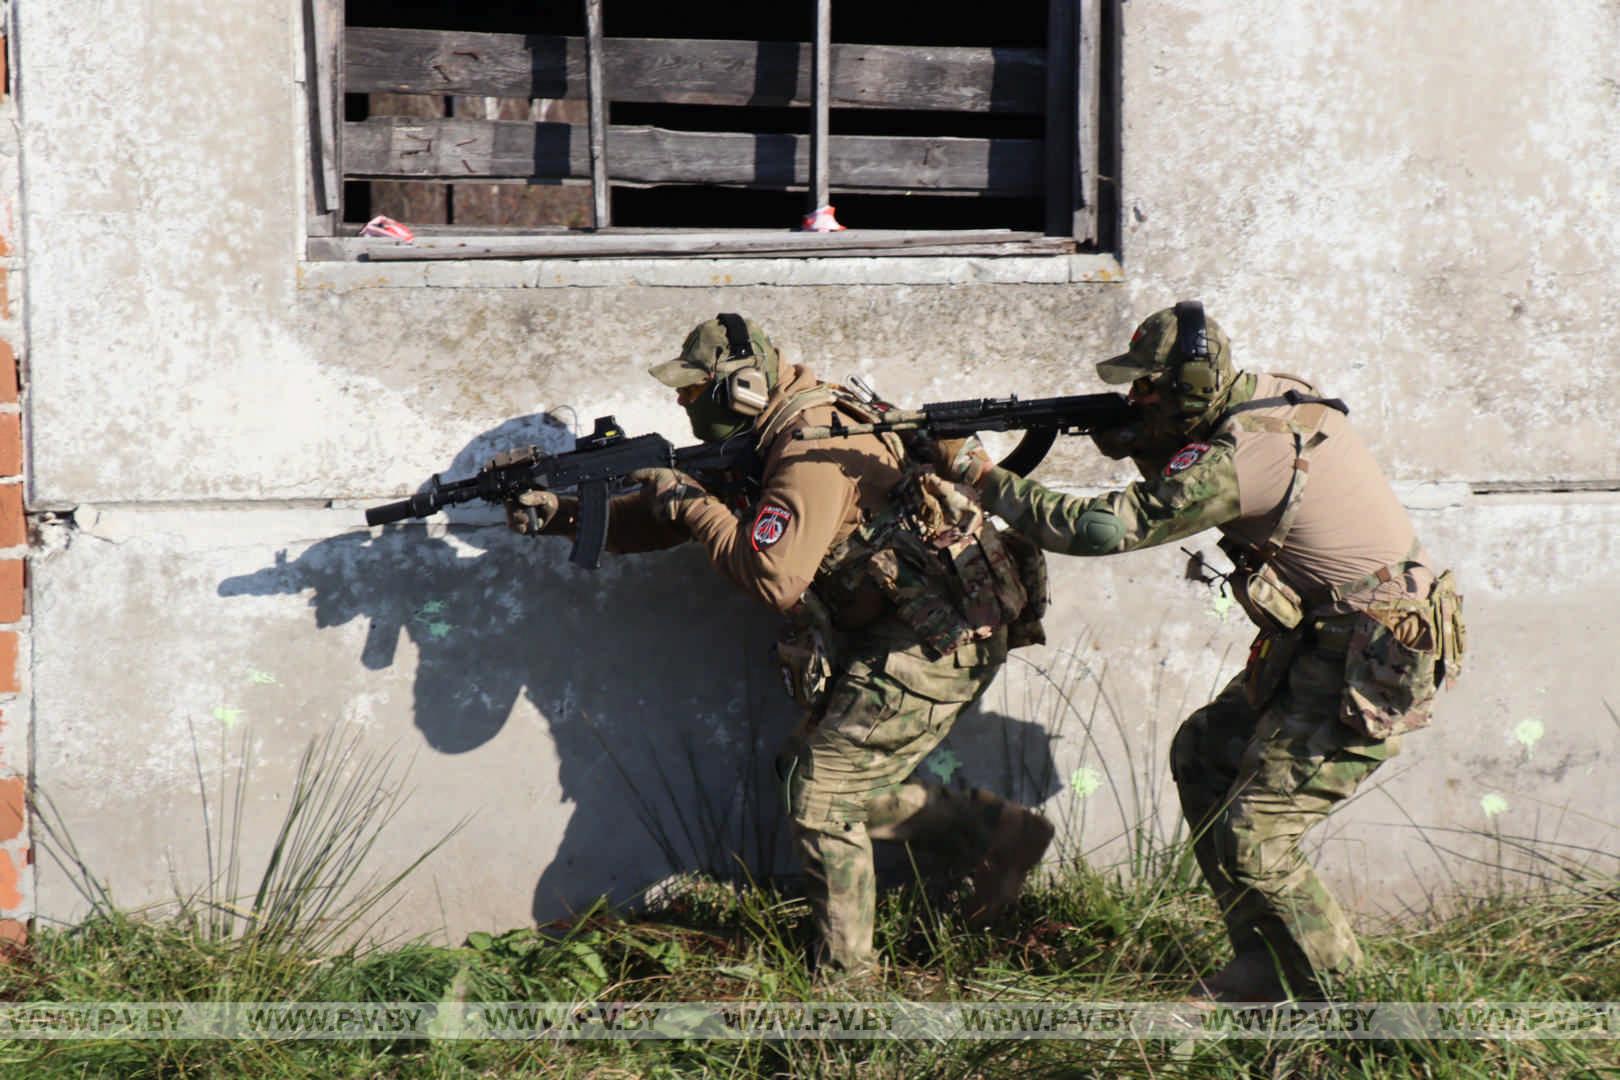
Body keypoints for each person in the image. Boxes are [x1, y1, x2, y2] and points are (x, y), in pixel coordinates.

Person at [936, 301, 1466, 1002]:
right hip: (1320, 639)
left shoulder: (1249, 448)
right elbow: (1191, 458)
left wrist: (979, 472)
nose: (1137, 399)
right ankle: (1263, 962)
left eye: (1149, 389)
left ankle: (1350, 1009)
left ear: (1189, 386)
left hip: (1373, 652)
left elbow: (1101, 530)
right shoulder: (1264, 395)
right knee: (1206, 751)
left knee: (1256, 839)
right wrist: (1138, 436)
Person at [505, 313, 1054, 981]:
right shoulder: (760, 435)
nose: (682, 401)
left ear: (739, 388)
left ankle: (846, 988)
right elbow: (664, 518)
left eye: (694, 389)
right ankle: (999, 835)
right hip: (903, 627)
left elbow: (775, 577)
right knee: (809, 774)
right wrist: (561, 514)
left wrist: (692, 504)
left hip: (938, 634)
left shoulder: (806, 448)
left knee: (824, 796)